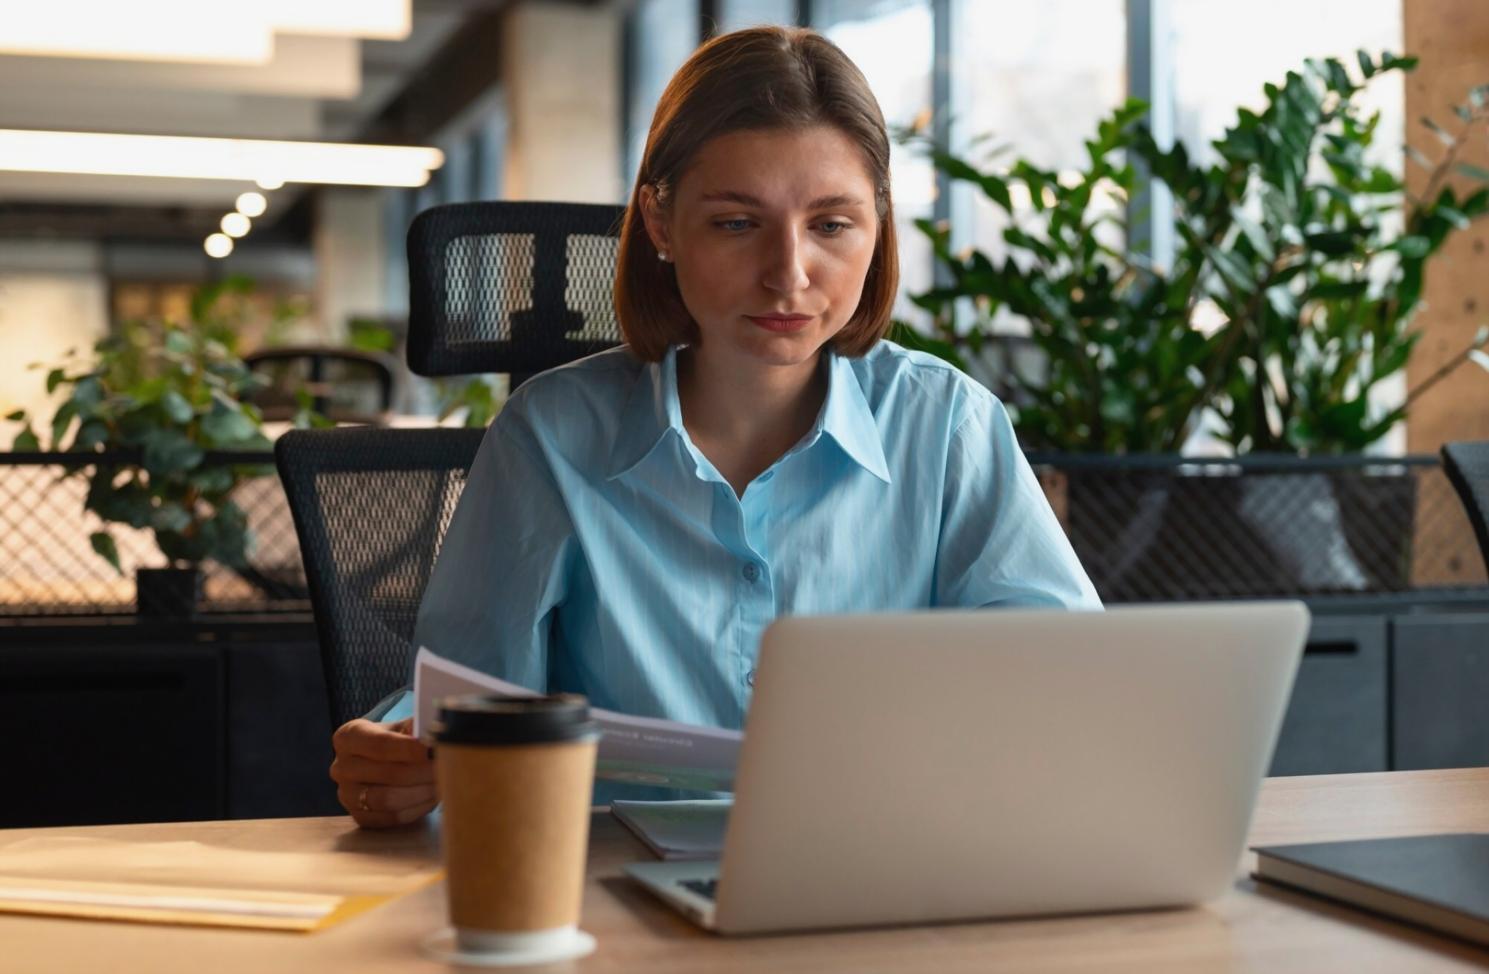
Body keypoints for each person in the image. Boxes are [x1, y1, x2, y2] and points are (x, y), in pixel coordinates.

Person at [329, 25, 1101, 828]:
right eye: (737, 223)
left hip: (879, 871)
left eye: (832, 225)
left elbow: (1059, 683)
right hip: (613, 891)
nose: (789, 274)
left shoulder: (947, 425)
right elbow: (464, 701)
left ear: (878, 224)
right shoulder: (552, 437)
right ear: (660, 224)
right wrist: (399, 753)